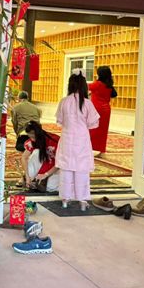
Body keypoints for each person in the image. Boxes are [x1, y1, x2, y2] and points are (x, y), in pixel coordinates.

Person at [56, 70, 100, 211]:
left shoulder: (64, 101)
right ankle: (82, 200)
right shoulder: (87, 103)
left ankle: (65, 199)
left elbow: (60, 121)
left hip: (67, 138)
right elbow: (94, 124)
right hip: (81, 139)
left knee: (66, 168)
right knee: (82, 169)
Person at [21, 120, 60, 193]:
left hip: (56, 167)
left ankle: (40, 181)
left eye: (33, 137)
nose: (32, 139)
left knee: (50, 187)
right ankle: (32, 179)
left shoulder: (54, 140)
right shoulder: (31, 142)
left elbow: (60, 163)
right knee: (36, 152)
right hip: (43, 166)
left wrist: (46, 174)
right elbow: (24, 157)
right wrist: (27, 175)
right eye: (30, 136)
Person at [88, 66, 117, 157]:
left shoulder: (97, 84)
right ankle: (102, 151)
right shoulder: (109, 84)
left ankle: (88, 148)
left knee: (92, 129)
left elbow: (86, 87)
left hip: (96, 109)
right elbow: (113, 94)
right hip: (106, 109)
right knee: (103, 131)